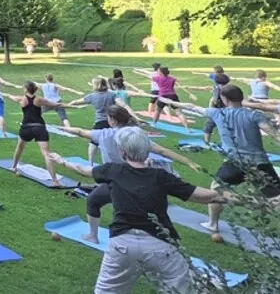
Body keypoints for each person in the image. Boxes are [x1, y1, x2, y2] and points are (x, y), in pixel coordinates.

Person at [49, 127, 229, 294]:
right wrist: (233, 197)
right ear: (147, 151)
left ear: (122, 152)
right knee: (182, 287)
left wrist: (61, 161)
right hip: (160, 246)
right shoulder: (161, 176)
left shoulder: (113, 170)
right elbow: (201, 196)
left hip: (122, 245)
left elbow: (81, 169)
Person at [56, 104, 202, 244]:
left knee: (94, 201)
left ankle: (93, 236)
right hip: (142, 180)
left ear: (113, 120)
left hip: (117, 180)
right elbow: (162, 151)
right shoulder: (136, 135)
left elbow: (80, 132)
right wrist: (188, 161)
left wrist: (62, 129)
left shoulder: (104, 134)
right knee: (148, 211)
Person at [160, 85, 280, 237]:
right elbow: (274, 134)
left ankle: (213, 224)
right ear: (241, 98)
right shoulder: (255, 115)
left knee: (215, 193)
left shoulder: (217, 113)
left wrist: (169, 102)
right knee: (276, 197)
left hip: (234, 163)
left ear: (224, 99)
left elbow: (192, 107)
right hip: (260, 163)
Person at [2, 81, 69, 187]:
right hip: (39, 128)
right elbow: (56, 104)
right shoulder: (39, 100)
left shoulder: (21, 99)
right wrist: (70, 105)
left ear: (26, 89)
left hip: (26, 128)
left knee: (20, 147)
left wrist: (4, 94)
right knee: (46, 154)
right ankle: (55, 181)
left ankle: (13, 166)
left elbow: (12, 97)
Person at [66, 77, 136, 166]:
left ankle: (90, 163)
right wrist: (134, 116)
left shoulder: (92, 96)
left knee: (93, 143)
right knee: (120, 141)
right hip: (114, 122)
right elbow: (124, 105)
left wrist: (66, 105)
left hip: (100, 122)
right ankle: (126, 160)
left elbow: (77, 101)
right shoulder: (112, 95)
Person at [150, 66, 191, 131]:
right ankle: (187, 128)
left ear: (161, 72)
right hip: (173, 95)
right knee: (179, 112)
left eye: (158, 71)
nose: (157, 72)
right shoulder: (172, 79)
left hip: (163, 96)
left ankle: (154, 123)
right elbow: (175, 79)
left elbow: (151, 78)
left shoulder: (158, 78)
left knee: (157, 110)